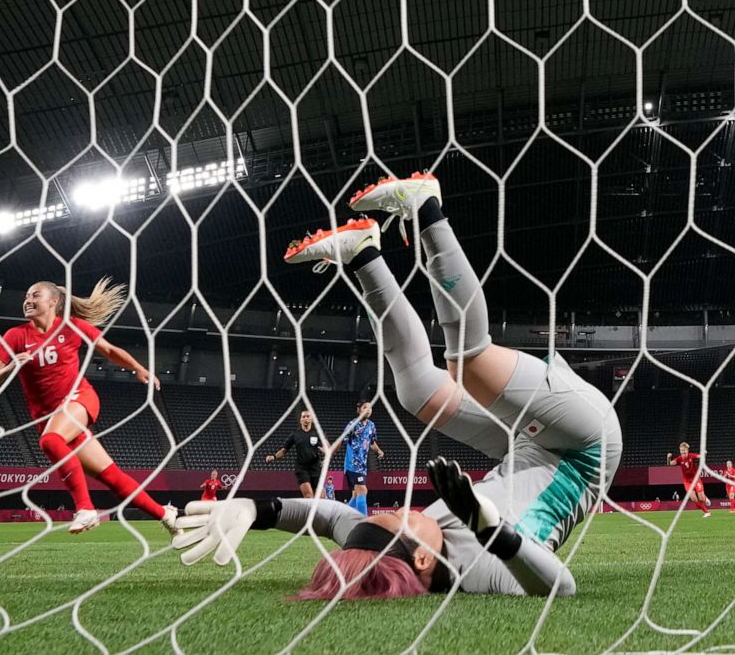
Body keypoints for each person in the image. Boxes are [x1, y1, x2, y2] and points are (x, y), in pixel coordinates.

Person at [173, 172, 622, 598]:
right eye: (399, 520)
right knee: (470, 364)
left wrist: (257, 511)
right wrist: (491, 531)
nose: (401, 511)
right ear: (424, 560)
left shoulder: (383, 543)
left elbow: (333, 517)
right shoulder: (479, 570)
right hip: (587, 448)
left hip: (521, 446)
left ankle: (363, 252)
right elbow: (561, 587)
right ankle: (426, 204)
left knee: (416, 392)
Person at [0, 279, 178, 535]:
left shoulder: (72, 326)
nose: (27, 300)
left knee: (49, 441)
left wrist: (138, 368)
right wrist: (10, 368)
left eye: (35, 295)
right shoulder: (15, 336)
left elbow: (108, 350)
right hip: (51, 418)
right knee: (110, 476)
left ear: (53, 301)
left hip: (79, 398)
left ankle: (85, 509)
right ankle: (166, 515)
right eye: (26, 296)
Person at [265, 409, 325, 498]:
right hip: (302, 468)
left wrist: (325, 459)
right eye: (303, 416)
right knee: (309, 496)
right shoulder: (295, 434)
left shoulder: (317, 433)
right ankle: (309, 512)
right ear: (300, 419)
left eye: (308, 416)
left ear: (311, 419)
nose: (305, 418)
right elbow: (284, 450)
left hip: (315, 468)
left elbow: (326, 448)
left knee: (321, 497)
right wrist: (274, 456)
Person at [338, 401, 384, 515]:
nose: (368, 410)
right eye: (365, 407)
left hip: (362, 467)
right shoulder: (352, 425)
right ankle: (363, 521)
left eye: (370, 408)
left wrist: (378, 450)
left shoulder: (371, 426)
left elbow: (371, 442)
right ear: (359, 410)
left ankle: (343, 515)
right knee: (363, 490)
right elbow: (341, 440)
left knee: (356, 494)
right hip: (352, 464)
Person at [667, 443, 711, 517]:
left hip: (696, 479)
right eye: (681, 450)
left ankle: (705, 498)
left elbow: (700, 456)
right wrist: (668, 458)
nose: (683, 452)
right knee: (694, 499)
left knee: (701, 498)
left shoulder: (691, 456)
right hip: (687, 481)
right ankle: (707, 512)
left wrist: (704, 453)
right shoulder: (679, 458)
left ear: (687, 450)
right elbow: (670, 464)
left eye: (684, 450)